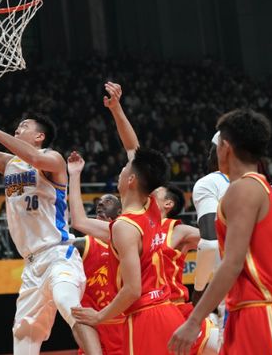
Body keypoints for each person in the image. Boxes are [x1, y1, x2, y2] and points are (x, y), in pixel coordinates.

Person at [0, 59, 100, 354]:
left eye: (24, 126)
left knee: (70, 306)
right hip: (31, 265)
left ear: (39, 136)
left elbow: (35, 159)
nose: (18, 128)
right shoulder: (9, 163)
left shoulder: (53, 159)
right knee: (24, 337)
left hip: (59, 255)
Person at [169, 109, 272, 355]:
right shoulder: (269, 191)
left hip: (258, 313)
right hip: (260, 309)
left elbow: (232, 263)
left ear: (225, 147)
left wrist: (194, 320)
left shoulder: (242, 189)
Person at [69, 82, 184, 354]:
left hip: (146, 317)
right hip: (167, 311)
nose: (121, 170)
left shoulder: (124, 226)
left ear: (131, 180)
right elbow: (134, 149)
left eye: (123, 169)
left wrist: (99, 316)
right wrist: (116, 109)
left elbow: (132, 289)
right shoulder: (152, 208)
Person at [154, 184, 219, 354]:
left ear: (168, 204)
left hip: (175, 308)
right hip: (148, 312)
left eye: (156, 192)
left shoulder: (177, 230)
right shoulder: (135, 230)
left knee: (220, 346)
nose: (149, 192)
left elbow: (216, 239)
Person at [71, 194, 125, 355]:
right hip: (93, 325)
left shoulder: (130, 244)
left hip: (123, 324)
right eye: (99, 203)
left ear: (120, 211)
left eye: (107, 201)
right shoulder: (83, 244)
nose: (100, 204)